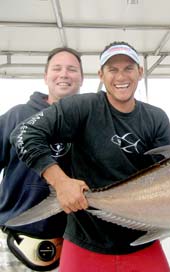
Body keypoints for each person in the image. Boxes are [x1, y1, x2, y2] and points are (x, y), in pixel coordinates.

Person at [8, 41, 170, 272]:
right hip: (84, 243)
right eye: (112, 69)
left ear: (140, 72)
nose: (121, 76)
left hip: (141, 244)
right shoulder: (81, 107)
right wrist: (61, 182)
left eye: (128, 68)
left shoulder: (156, 118)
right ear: (100, 74)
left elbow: (164, 180)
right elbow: (24, 133)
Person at [0, 47, 84, 271]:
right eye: (57, 69)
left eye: (72, 69)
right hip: (13, 241)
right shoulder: (16, 116)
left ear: (82, 78)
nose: (64, 74)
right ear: (45, 76)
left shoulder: (89, 123)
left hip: (71, 246)